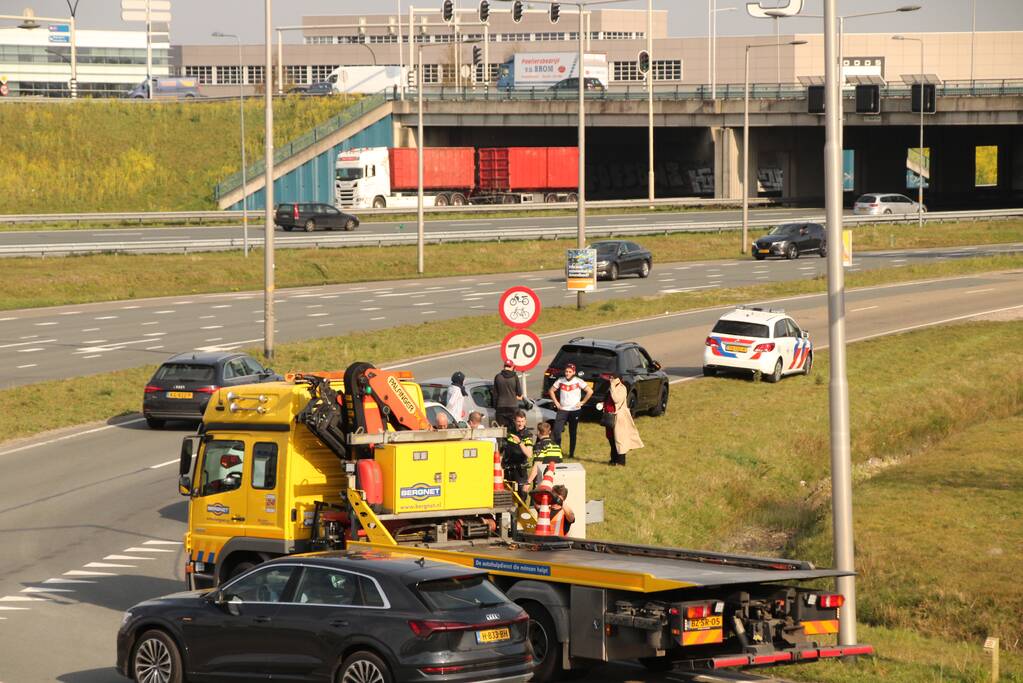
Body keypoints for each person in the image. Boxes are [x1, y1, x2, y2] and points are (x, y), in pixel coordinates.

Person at [548, 363, 592, 459]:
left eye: (570, 372)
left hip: (574, 410)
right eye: (566, 371)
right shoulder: (560, 380)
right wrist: (556, 402)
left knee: (573, 432)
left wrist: (582, 402)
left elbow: (590, 391)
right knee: (557, 431)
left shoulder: (578, 381)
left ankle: (571, 453)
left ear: (574, 372)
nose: (567, 373)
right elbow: (551, 390)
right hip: (562, 410)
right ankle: (557, 452)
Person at [603, 374, 644, 466]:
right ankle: (613, 459)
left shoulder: (622, 388)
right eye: (610, 378)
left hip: (619, 417)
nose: (610, 380)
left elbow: (616, 399)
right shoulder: (610, 387)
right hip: (609, 417)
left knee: (619, 439)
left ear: (617, 379)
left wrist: (612, 386)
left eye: (612, 378)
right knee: (611, 438)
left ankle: (621, 462)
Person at [524, 421, 563, 492]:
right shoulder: (557, 446)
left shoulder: (539, 445)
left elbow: (537, 465)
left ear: (538, 432)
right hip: (555, 480)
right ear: (550, 432)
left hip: (542, 481)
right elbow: (560, 464)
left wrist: (528, 482)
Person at [502, 409, 534, 493]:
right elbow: (503, 449)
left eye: (523, 421)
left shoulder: (528, 434)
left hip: (520, 469)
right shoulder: (509, 431)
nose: (521, 424)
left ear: (525, 421)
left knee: (522, 494)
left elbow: (529, 454)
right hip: (508, 468)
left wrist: (519, 442)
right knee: (507, 494)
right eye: (519, 421)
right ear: (514, 421)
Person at [493, 360, 523, 430]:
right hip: (513, 407)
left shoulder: (498, 377)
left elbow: (495, 394)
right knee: (513, 429)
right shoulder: (514, 377)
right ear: (512, 366)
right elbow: (519, 393)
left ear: (504, 366)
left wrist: (495, 407)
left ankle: (501, 441)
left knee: (501, 430)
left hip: (500, 406)